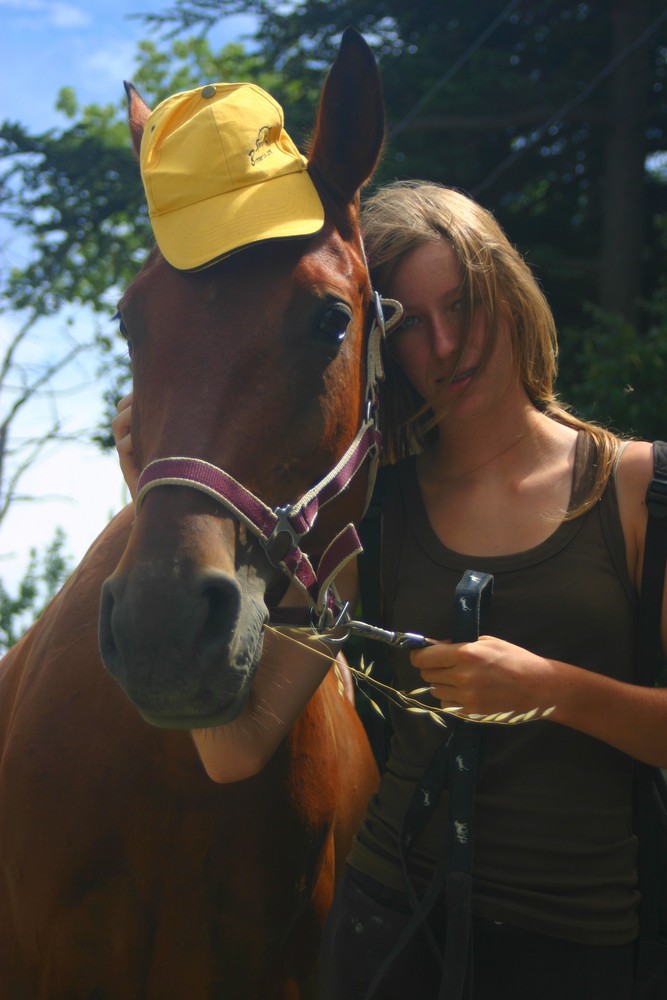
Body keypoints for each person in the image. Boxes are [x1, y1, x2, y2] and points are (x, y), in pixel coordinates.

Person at [112, 180, 667, 1000]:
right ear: (381, 342)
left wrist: (550, 690)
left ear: (510, 292)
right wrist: (149, 509)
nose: (446, 344)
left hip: (582, 947)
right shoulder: (369, 517)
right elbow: (235, 751)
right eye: (410, 322)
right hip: (385, 936)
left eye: (465, 303)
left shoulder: (635, 488)